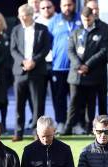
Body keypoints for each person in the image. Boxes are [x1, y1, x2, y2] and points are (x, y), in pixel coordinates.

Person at [64, 7, 108, 135]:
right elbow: (70, 50)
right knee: (74, 102)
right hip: (76, 74)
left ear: (93, 17)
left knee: (91, 103)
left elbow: (103, 51)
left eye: (88, 19)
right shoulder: (76, 32)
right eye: (84, 19)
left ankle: (90, 127)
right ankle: (68, 127)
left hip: (92, 74)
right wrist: (79, 65)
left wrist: (87, 65)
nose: (86, 22)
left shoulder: (100, 32)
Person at [10, 4, 52, 142]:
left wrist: (34, 61)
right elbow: (13, 49)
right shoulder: (16, 30)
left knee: (37, 104)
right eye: (20, 15)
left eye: (24, 15)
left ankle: (37, 131)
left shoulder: (43, 29)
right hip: (20, 72)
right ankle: (18, 132)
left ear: (31, 15)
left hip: (37, 71)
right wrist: (23, 62)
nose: (21, 18)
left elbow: (46, 48)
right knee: (19, 105)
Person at [47, 0, 79, 132]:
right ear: (60, 7)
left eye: (70, 5)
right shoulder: (54, 21)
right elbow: (47, 42)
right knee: (59, 98)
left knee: (76, 98)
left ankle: (75, 124)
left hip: (76, 67)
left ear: (74, 5)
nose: (67, 8)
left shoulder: (80, 19)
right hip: (58, 67)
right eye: (64, 5)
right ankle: (60, 122)